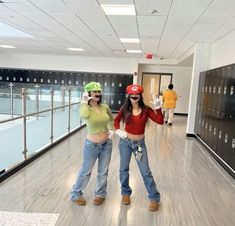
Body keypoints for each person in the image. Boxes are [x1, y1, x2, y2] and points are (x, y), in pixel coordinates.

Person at [114, 84, 163, 212]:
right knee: (123, 169)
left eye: (137, 94)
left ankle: (154, 198)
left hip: (139, 145)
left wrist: (158, 108)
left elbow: (159, 120)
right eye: (132, 94)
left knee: (145, 171)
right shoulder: (124, 109)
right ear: (129, 95)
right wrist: (118, 130)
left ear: (140, 95)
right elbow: (116, 121)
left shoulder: (146, 110)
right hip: (125, 143)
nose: (134, 96)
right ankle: (125, 193)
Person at [70, 81, 114, 206]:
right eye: (95, 91)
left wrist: (111, 130)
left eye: (99, 91)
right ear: (88, 93)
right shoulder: (85, 107)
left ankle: (100, 194)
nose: (98, 93)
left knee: (103, 171)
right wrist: (84, 101)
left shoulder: (104, 107)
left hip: (106, 144)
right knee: (86, 171)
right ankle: (76, 194)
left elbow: (111, 119)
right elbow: (84, 116)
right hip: (92, 145)